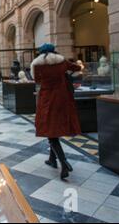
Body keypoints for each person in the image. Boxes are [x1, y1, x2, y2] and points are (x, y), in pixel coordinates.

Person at [30, 43, 81, 180]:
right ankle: (52, 159)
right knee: (54, 129)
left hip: (47, 99)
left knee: (50, 130)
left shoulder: (37, 64)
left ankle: (63, 163)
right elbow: (77, 68)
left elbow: (37, 80)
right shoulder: (62, 61)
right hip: (62, 99)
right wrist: (65, 74)